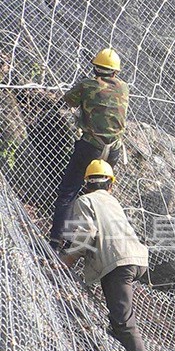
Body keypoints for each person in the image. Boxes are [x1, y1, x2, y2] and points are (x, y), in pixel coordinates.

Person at [60, 160, 158, 351]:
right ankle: (116, 329)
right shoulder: (112, 201)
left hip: (118, 264)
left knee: (124, 321)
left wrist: (67, 260)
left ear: (86, 184)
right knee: (118, 317)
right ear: (110, 185)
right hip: (134, 258)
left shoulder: (84, 201)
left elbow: (87, 233)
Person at [50, 48, 129, 250]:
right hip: (113, 151)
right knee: (98, 196)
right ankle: (92, 244)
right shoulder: (123, 88)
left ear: (95, 67)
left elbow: (67, 101)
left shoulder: (87, 85)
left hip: (90, 147)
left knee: (69, 193)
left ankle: (58, 242)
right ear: (115, 72)